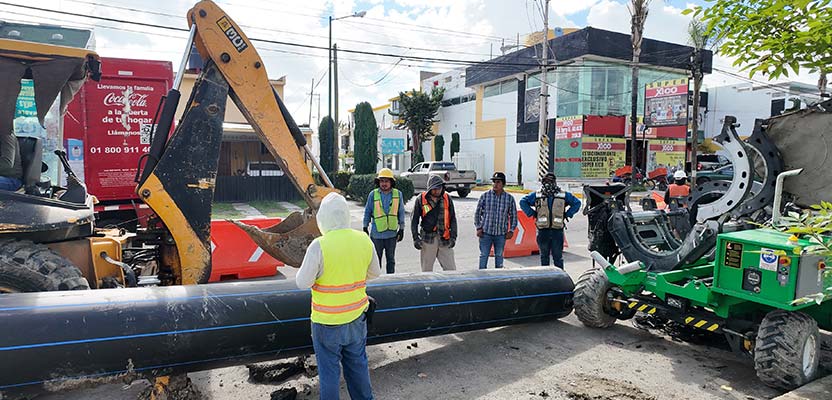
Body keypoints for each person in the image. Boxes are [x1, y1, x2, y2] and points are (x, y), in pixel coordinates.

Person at [297, 193, 380, 400]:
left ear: (322, 218)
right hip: (356, 320)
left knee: (329, 374)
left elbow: (302, 282)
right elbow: (375, 273)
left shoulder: (319, 245)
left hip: (327, 325)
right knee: (358, 367)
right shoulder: (363, 239)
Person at [519, 173, 581, 268]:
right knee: (544, 258)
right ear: (543, 182)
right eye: (546, 181)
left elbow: (577, 203)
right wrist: (532, 213)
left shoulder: (563, 195)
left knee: (558, 258)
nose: (548, 184)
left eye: (550, 181)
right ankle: (546, 279)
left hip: (557, 231)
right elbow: (523, 202)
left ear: (555, 182)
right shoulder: (538, 195)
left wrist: (567, 214)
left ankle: (559, 279)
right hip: (543, 231)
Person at [362, 168, 405, 274]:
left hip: (391, 234)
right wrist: (365, 226)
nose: (384, 183)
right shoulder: (373, 194)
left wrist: (402, 229)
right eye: (382, 181)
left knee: (391, 260)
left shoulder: (398, 194)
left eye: (386, 181)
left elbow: (401, 212)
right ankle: (377, 282)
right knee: (376, 261)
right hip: (377, 235)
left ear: (391, 182)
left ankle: (390, 282)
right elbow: (367, 211)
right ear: (378, 182)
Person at [411, 175, 457, 272]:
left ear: (442, 187)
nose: (436, 191)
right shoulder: (421, 199)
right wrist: (415, 238)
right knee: (426, 271)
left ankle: (451, 287)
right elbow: (414, 220)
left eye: (438, 188)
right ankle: (427, 287)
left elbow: (453, 219)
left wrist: (453, 237)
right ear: (429, 189)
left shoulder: (447, 199)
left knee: (451, 270)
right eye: (434, 188)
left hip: (445, 239)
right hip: (428, 239)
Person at [474, 172, 517, 269]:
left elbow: (513, 216)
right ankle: (482, 278)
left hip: (501, 234)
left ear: (503, 184)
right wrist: (478, 227)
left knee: (499, 255)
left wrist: (511, 230)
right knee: (484, 255)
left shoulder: (509, 198)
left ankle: (499, 278)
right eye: (493, 182)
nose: (495, 184)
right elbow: (477, 213)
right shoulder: (485, 196)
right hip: (486, 233)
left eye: (498, 182)